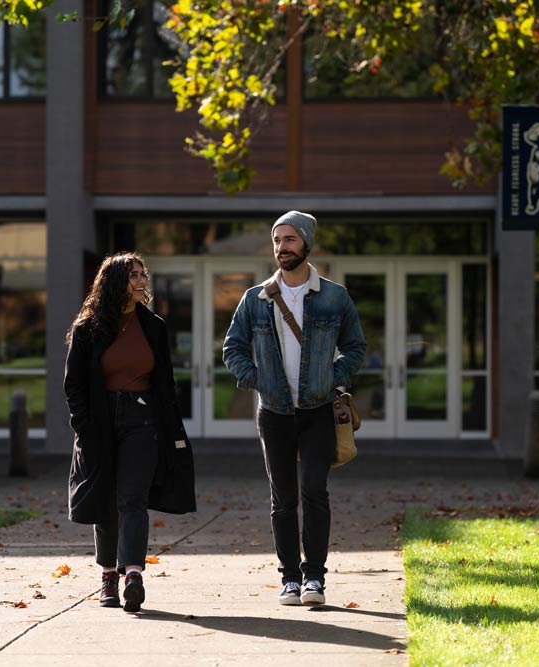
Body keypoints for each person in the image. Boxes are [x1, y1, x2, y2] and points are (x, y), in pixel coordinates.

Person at [222, 211, 366, 606]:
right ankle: (289, 578)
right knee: (283, 498)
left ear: (306, 243)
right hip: (274, 412)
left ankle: (314, 579)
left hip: (318, 409)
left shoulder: (335, 296)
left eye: (289, 239)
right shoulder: (256, 298)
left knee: (314, 492)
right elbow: (232, 347)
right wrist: (256, 378)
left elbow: (356, 347)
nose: (281, 247)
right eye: (276, 240)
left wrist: (332, 376)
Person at [64, 252, 196, 612]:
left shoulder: (153, 326)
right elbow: (74, 384)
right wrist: (84, 427)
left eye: (143, 274)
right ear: (114, 282)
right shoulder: (88, 328)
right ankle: (108, 575)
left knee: (133, 498)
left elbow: (164, 383)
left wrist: (171, 428)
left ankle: (133, 573)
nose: (142, 281)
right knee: (106, 500)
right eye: (133, 275)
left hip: (143, 420)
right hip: (101, 422)